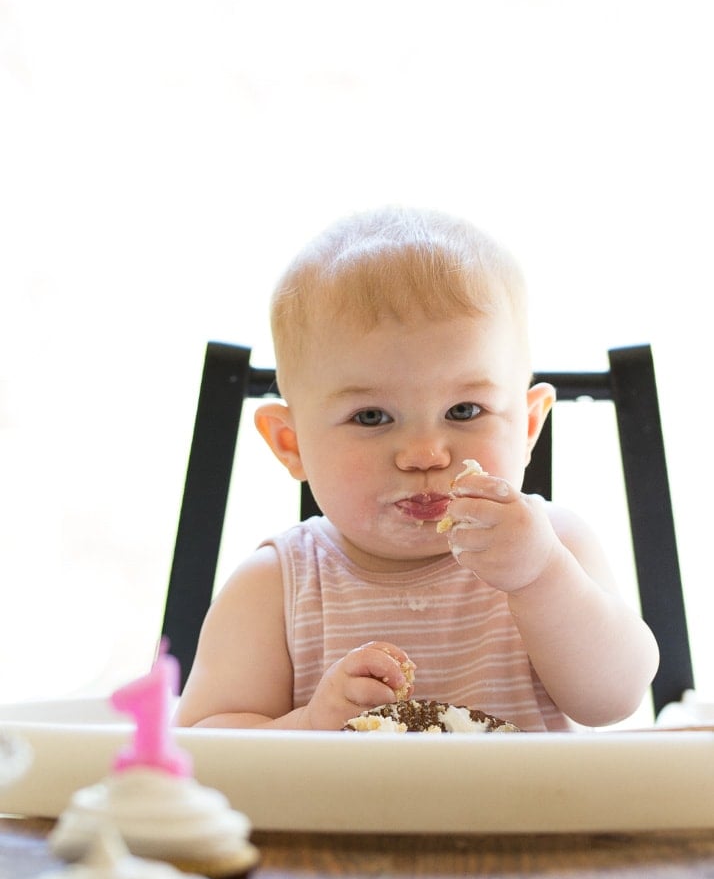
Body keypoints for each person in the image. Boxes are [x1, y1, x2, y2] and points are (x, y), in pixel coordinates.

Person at [175, 206, 659, 733]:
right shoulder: (276, 586)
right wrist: (310, 725)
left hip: (525, 816)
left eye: (464, 411)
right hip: (339, 819)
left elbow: (615, 699)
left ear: (526, 428)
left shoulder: (553, 545)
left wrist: (540, 576)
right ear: (291, 444)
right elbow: (204, 749)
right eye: (372, 416)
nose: (426, 453)